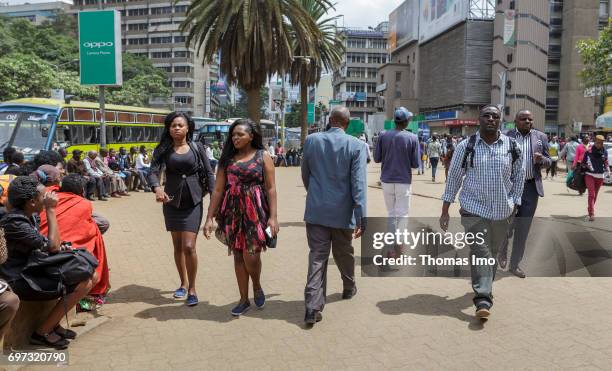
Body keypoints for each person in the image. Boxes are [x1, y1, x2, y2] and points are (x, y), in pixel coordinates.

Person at [440, 105, 525, 319]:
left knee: (492, 253)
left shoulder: (512, 146)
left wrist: (514, 203)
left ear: (500, 121)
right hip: (473, 210)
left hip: (502, 212)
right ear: (479, 119)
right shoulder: (466, 146)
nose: (490, 119)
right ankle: (483, 299)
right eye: (486, 115)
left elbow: (519, 177)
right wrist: (445, 209)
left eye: (495, 116)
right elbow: (454, 178)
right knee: (481, 252)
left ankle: (485, 288)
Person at [0, 176, 97, 348]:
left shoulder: (29, 215)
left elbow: (45, 243)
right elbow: (52, 246)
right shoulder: (15, 221)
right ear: (31, 202)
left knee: (90, 274)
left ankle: (52, 324)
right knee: (84, 282)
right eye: (43, 196)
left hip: (32, 268)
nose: (48, 198)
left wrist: (62, 247)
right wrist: (51, 210)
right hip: (19, 278)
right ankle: (42, 333)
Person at [203, 119, 278, 316]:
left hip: (256, 211)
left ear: (251, 136)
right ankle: (243, 299)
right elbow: (218, 189)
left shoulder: (263, 157)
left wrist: (273, 218)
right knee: (238, 255)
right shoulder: (227, 159)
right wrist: (209, 217)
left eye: (240, 134)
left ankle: (257, 286)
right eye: (233, 135)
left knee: (251, 256)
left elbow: (271, 188)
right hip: (232, 212)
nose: (235, 138)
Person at [301, 106, 367, 326]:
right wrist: (361, 215)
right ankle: (349, 287)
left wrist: (316, 194)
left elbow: (305, 174)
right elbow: (358, 183)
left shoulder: (311, 140)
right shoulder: (356, 145)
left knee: (317, 258)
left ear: (330, 120)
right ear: (347, 124)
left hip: (317, 210)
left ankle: (312, 307)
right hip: (343, 211)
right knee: (344, 253)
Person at [149, 112, 215, 307]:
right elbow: (152, 171)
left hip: (193, 201)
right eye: (173, 125)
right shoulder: (163, 149)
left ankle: (192, 288)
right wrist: (157, 188)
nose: (176, 128)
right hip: (171, 202)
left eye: (180, 125)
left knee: (189, 246)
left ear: (188, 128)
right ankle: (183, 283)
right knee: (178, 247)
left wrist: (214, 201)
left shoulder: (197, 147)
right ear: (168, 129)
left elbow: (210, 174)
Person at [39, 173, 111, 301]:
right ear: (82, 191)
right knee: (94, 230)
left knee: (94, 227)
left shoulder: (49, 195)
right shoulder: (84, 203)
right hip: (55, 254)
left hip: (41, 249)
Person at [499, 110, 550, 278]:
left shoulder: (540, 137)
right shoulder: (505, 136)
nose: (527, 121)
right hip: (510, 188)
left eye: (530, 119)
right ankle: (502, 251)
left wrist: (541, 159)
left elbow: (550, 160)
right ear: (515, 121)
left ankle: (515, 264)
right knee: (507, 224)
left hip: (530, 189)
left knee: (524, 228)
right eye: (523, 119)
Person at [373, 107, 420, 230]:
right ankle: (399, 243)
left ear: (395, 121)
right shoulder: (412, 137)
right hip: (403, 180)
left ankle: (391, 243)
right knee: (402, 214)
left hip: (386, 179)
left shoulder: (383, 135)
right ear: (406, 122)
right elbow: (415, 164)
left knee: (391, 213)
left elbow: (377, 159)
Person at [582, 135, 609, 221]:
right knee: (591, 194)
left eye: (601, 143)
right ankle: (591, 214)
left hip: (600, 176)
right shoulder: (589, 151)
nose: (599, 144)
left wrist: (608, 168)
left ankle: (590, 208)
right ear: (595, 142)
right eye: (598, 142)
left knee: (595, 196)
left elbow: (605, 162)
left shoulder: (605, 152)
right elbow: (583, 163)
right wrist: (587, 165)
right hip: (589, 175)